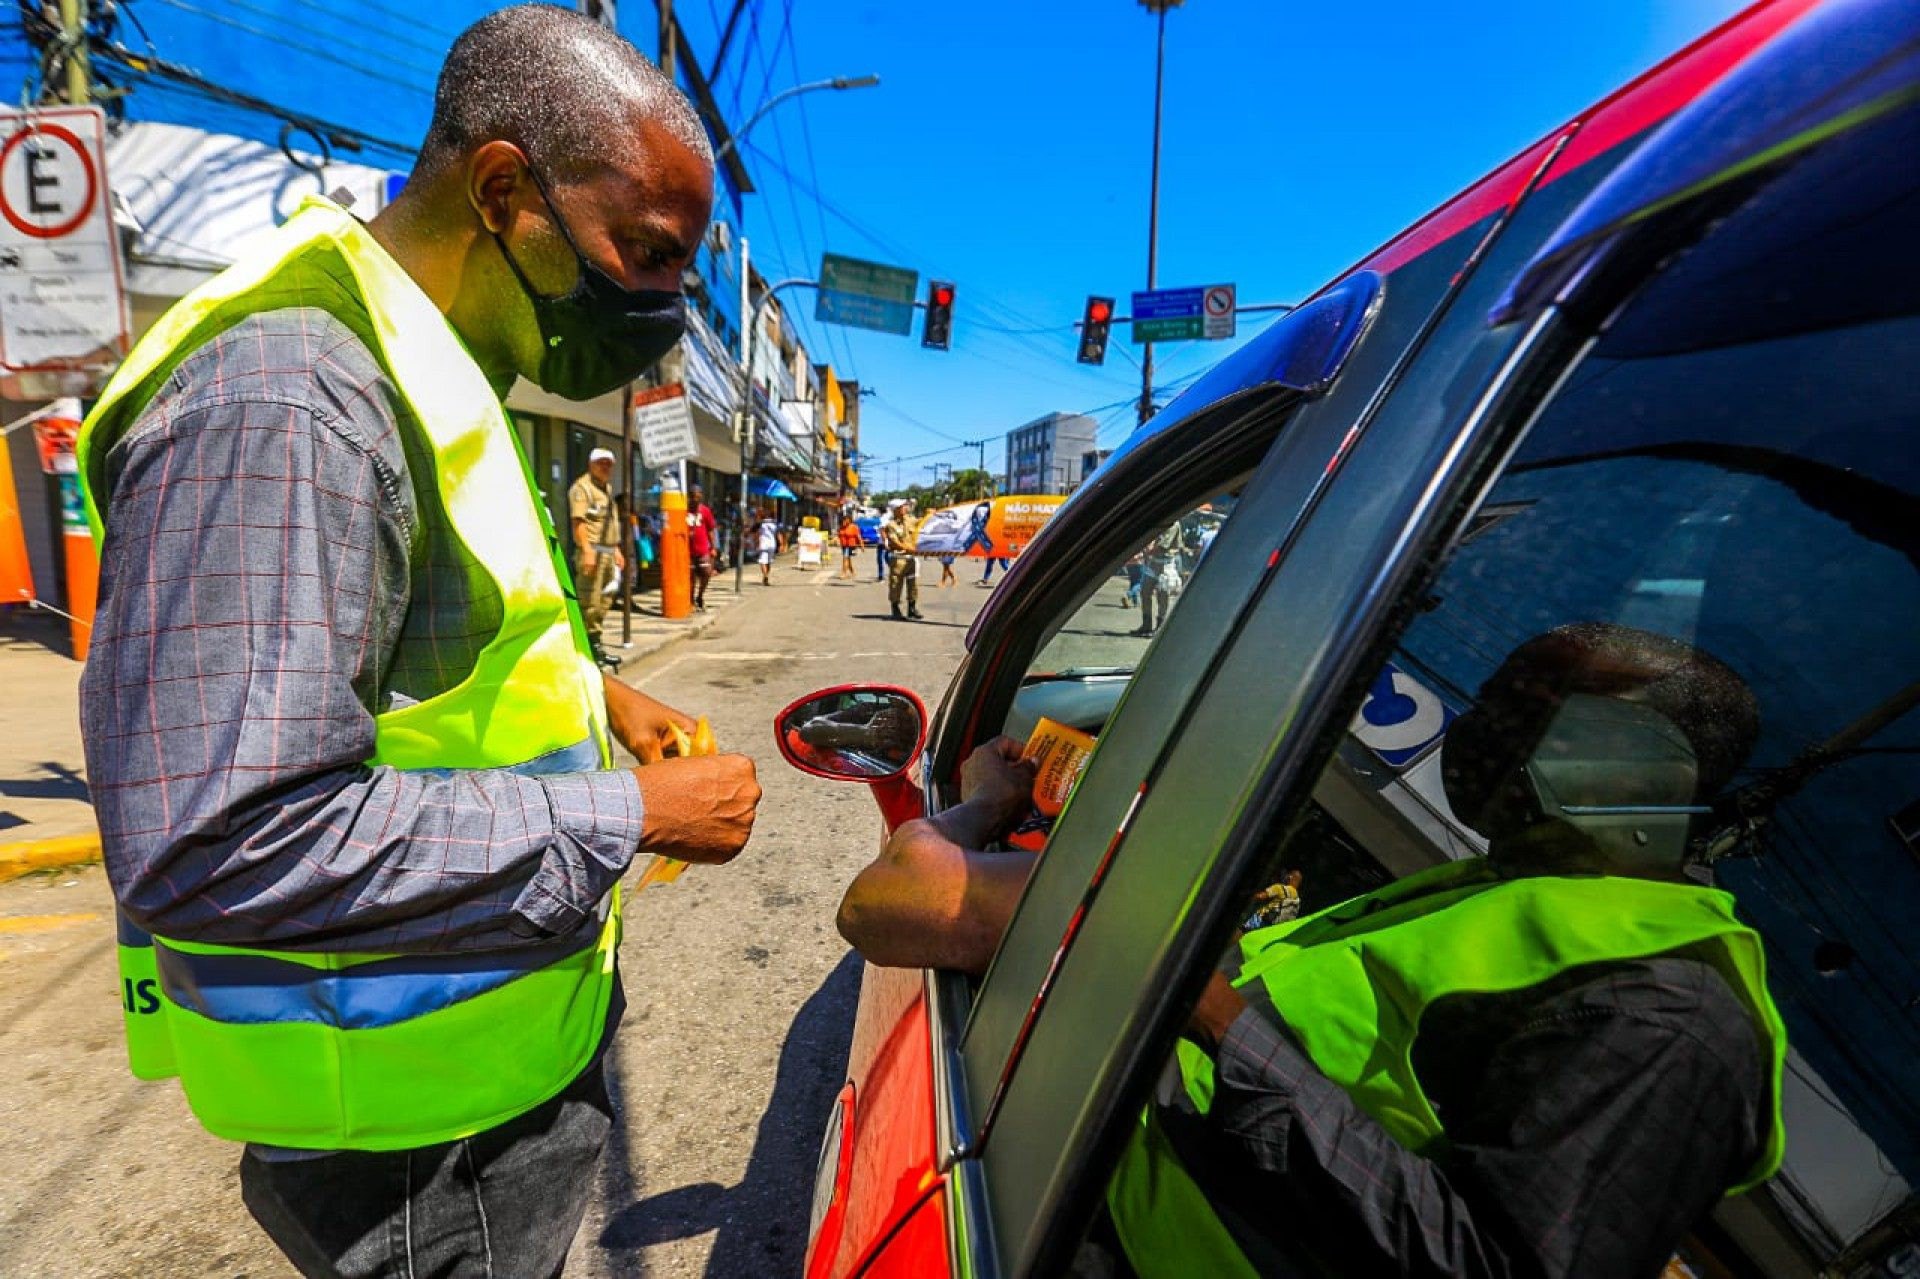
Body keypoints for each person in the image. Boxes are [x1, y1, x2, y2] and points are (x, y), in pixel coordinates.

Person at [72, 10, 764, 1276]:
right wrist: (631, 817)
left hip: (475, 1081)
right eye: (649, 253)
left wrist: (602, 696)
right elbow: (218, 837)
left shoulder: (425, 364)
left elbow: (415, 639)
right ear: (504, 189)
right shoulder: (292, 401)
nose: (666, 306)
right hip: (411, 1149)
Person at [834, 623, 1785, 1278]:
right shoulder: (1530, 889)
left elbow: (1480, 1263)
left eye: (1526, 709)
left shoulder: (1671, 1021)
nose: (1480, 731)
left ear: (1637, 762)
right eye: (1493, 700)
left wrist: (1211, 1011)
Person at [572, 448, 625, 662]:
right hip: (592, 551)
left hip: (608, 553)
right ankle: (589, 650)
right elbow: (578, 522)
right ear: (591, 464)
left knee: (605, 599)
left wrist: (617, 550)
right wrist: (586, 550)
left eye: (608, 464)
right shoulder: (582, 488)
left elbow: (609, 523)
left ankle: (596, 644)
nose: (605, 467)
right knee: (589, 601)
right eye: (600, 463)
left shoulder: (607, 489)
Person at [883, 497, 923, 621]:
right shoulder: (891, 525)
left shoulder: (910, 520)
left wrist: (929, 515)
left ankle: (912, 608)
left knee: (913, 584)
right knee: (896, 584)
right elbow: (894, 542)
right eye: (902, 507)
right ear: (895, 509)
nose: (905, 508)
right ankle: (895, 608)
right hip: (899, 558)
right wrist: (907, 548)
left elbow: (921, 523)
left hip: (911, 559)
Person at [687, 483, 718, 611]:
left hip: (703, 549)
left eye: (698, 496)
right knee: (691, 576)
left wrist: (713, 547)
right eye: (693, 496)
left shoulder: (705, 511)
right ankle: (691, 600)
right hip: (688, 550)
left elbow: (711, 529)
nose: (695, 499)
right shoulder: (684, 510)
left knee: (706, 572)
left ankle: (700, 595)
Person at [755, 506, 780, 585]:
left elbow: (757, 533)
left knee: (762, 561)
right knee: (769, 561)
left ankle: (765, 575)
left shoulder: (761, 523)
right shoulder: (774, 524)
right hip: (772, 544)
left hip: (763, 543)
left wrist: (757, 543)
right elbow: (778, 534)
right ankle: (766, 575)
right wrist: (781, 544)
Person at [837, 513, 862, 579]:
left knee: (845, 558)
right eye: (844, 520)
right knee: (848, 559)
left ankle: (844, 573)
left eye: (846, 520)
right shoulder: (842, 527)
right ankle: (852, 571)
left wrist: (861, 545)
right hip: (844, 545)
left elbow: (858, 537)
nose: (845, 521)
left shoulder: (854, 527)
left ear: (850, 520)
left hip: (850, 545)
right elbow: (839, 535)